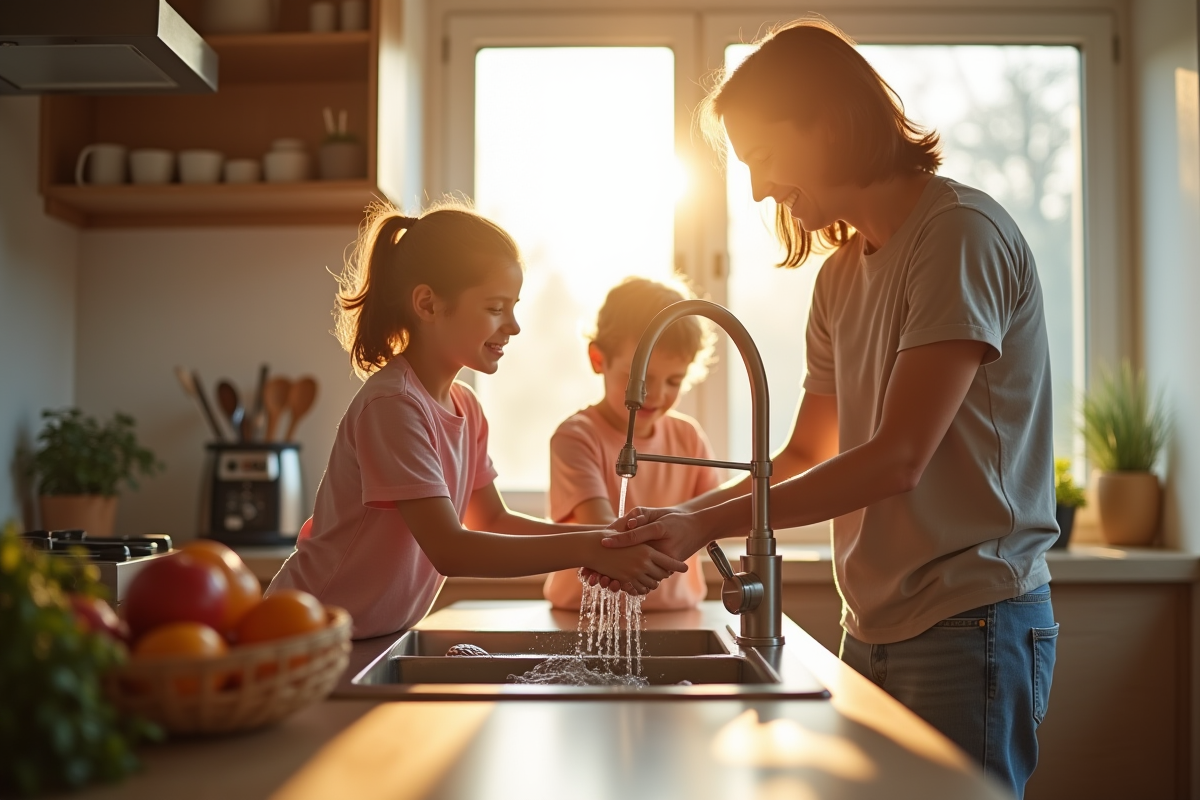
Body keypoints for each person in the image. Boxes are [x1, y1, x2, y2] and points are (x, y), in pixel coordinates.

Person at [599, 19, 1058, 799]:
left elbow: (898, 458)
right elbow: (805, 456)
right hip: (870, 625)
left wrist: (701, 525)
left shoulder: (957, 236)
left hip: (972, 619)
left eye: (766, 157)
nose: (756, 189)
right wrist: (678, 519)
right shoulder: (841, 277)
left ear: (831, 124)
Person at [267, 203, 686, 639]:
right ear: (428, 303)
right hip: (302, 631)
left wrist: (605, 538)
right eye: (495, 307)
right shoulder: (393, 405)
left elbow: (492, 520)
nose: (514, 326)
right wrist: (589, 548)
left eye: (513, 307)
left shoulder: (465, 407)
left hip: (366, 634)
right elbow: (451, 550)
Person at [543, 277, 719, 611]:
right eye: (639, 378)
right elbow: (605, 534)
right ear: (598, 359)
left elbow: (715, 520)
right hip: (585, 619)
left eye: (673, 380)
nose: (656, 394)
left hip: (677, 615)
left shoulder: (688, 437)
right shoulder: (577, 437)